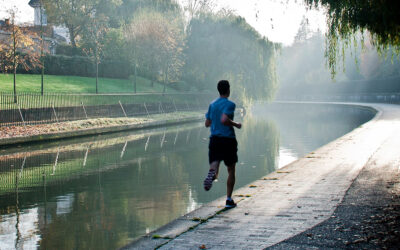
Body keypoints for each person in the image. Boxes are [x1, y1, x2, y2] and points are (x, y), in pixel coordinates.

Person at [204, 80, 242, 208]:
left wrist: (215, 121)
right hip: (227, 140)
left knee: (214, 167)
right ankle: (229, 199)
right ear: (228, 90)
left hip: (214, 139)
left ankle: (211, 174)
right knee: (231, 170)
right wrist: (236, 124)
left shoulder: (212, 104)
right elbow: (224, 119)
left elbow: (207, 123)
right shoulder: (230, 104)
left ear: (218, 90)